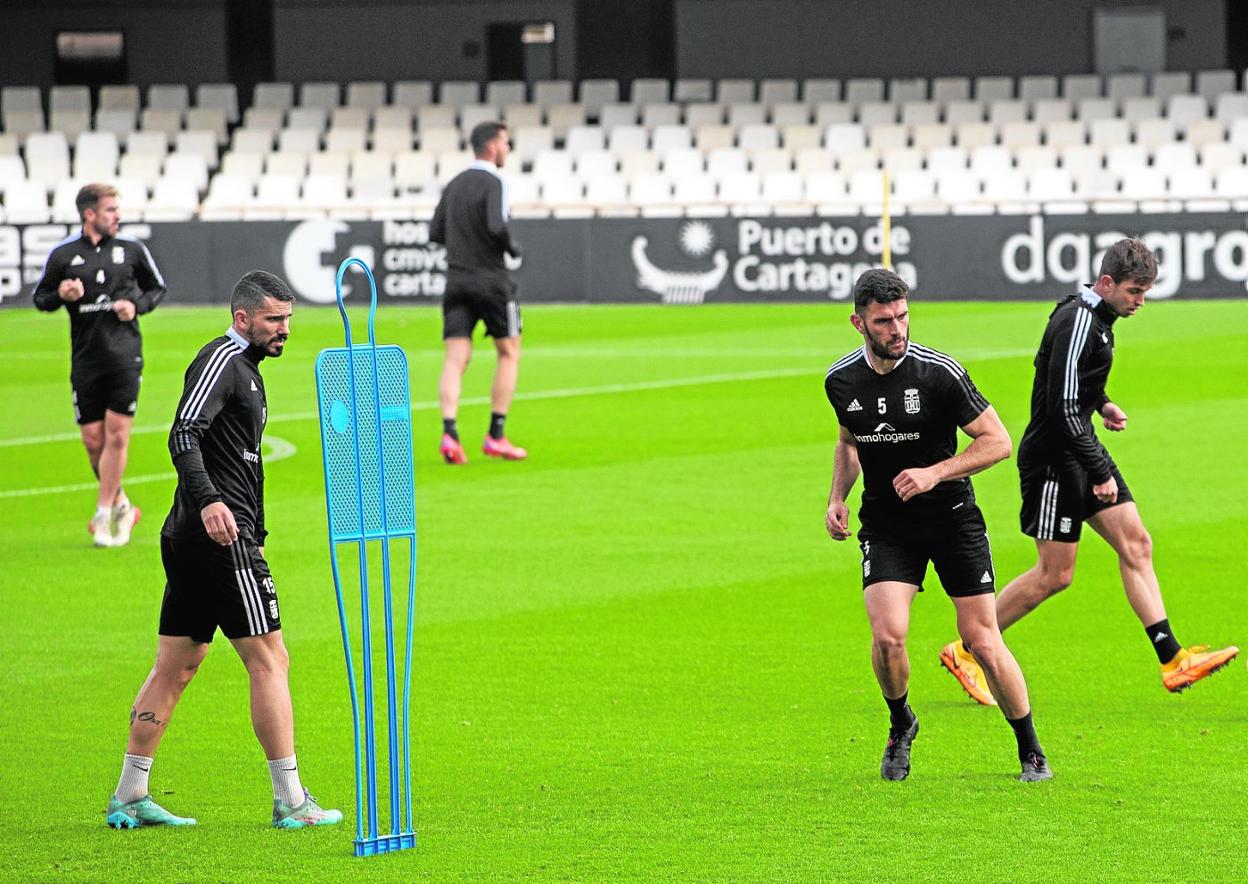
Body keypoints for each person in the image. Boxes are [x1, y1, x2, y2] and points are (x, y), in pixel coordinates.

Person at [940, 239, 1237, 704]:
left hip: (1079, 448)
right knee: (1053, 575)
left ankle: (1173, 659)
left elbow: (1070, 381)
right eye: (1135, 291)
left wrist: (1101, 402)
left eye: (1145, 292)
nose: (1141, 301)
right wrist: (1098, 467)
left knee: (1136, 542)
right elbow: (1059, 405)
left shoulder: (1097, 317)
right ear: (1106, 283)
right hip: (1055, 461)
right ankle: (967, 648)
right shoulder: (1079, 319)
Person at [105, 271, 341, 830]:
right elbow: (183, 433)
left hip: (197, 537)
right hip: (219, 538)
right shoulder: (223, 360)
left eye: (288, 319)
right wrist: (214, 503)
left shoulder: (247, 369)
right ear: (243, 319)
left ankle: (129, 794)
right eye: (274, 320)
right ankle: (291, 801)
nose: (285, 329)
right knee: (270, 658)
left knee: (178, 664)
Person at [825, 268, 1051, 783]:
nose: (897, 329)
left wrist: (935, 473)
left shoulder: (939, 374)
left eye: (903, 316)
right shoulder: (841, 381)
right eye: (884, 321)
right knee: (888, 638)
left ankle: (1031, 749)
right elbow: (849, 442)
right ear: (858, 322)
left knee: (981, 638)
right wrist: (838, 497)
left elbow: (997, 441)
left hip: (953, 523)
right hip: (886, 527)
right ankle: (901, 723)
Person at [32, 182, 166, 547]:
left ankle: (103, 514)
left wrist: (136, 306)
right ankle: (125, 506)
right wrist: (61, 294)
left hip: (125, 356)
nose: (117, 216)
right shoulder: (64, 256)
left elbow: (157, 289)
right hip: (85, 359)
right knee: (94, 443)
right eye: (110, 210)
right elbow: (40, 298)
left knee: (117, 436)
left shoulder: (132, 251)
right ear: (89, 213)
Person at [430, 120, 527, 464]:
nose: (508, 149)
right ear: (492, 146)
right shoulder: (494, 181)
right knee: (509, 351)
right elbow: (496, 225)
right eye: (506, 142)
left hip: (456, 281)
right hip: (491, 280)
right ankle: (496, 435)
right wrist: (512, 247)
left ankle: (450, 432)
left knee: (456, 359)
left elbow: (435, 231)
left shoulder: (454, 184)